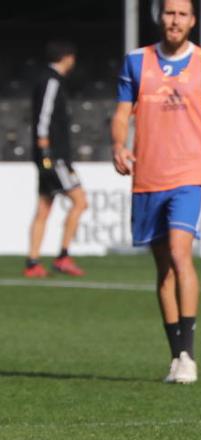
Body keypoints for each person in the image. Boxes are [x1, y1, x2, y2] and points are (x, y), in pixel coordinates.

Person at [110, 0, 201, 384]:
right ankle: (176, 354)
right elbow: (120, 115)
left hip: (191, 174)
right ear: (159, 17)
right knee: (163, 267)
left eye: (182, 14)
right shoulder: (136, 61)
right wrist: (118, 145)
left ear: (193, 21)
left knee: (182, 253)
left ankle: (189, 355)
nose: (175, 20)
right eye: (169, 13)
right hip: (149, 176)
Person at [25, 40, 88, 278]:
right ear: (67, 57)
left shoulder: (48, 80)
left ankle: (32, 262)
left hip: (49, 155)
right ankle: (63, 256)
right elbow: (44, 115)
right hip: (54, 155)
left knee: (44, 207)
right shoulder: (51, 81)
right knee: (80, 202)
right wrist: (45, 149)